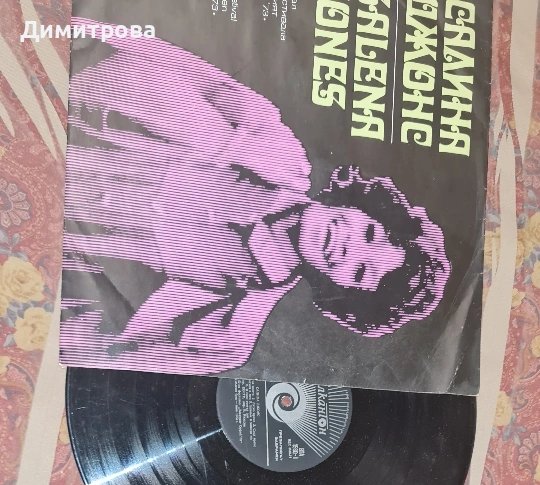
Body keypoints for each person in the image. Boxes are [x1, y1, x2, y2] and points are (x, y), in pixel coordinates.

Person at [60, 20, 451, 375]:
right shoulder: (281, 157)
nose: (348, 246)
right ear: (362, 209)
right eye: (369, 233)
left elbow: (106, 346)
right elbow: (193, 74)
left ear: (341, 290)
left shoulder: (236, 317)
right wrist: (92, 30)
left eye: (360, 271)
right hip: (70, 100)